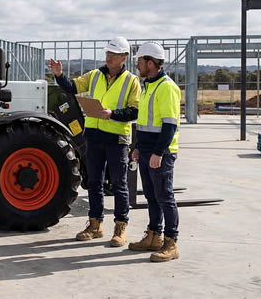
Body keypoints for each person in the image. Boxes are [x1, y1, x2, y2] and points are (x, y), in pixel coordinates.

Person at [47, 36, 140, 247]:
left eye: (113, 54)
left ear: (124, 57)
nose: (108, 57)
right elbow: (73, 87)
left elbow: (135, 110)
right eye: (107, 53)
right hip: (94, 137)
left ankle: (120, 227)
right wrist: (60, 75)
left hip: (116, 139)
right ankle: (95, 225)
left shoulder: (131, 81)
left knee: (119, 184)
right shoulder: (95, 75)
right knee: (95, 183)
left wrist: (113, 114)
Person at [128, 41, 181, 262]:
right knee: (151, 196)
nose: (137, 65)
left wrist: (159, 153)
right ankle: (153, 236)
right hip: (147, 150)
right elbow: (144, 122)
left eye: (140, 61)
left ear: (150, 62)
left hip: (162, 152)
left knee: (164, 196)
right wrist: (138, 147)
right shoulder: (148, 85)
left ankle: (171, 242)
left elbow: (169, 125)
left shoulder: (166, 87)